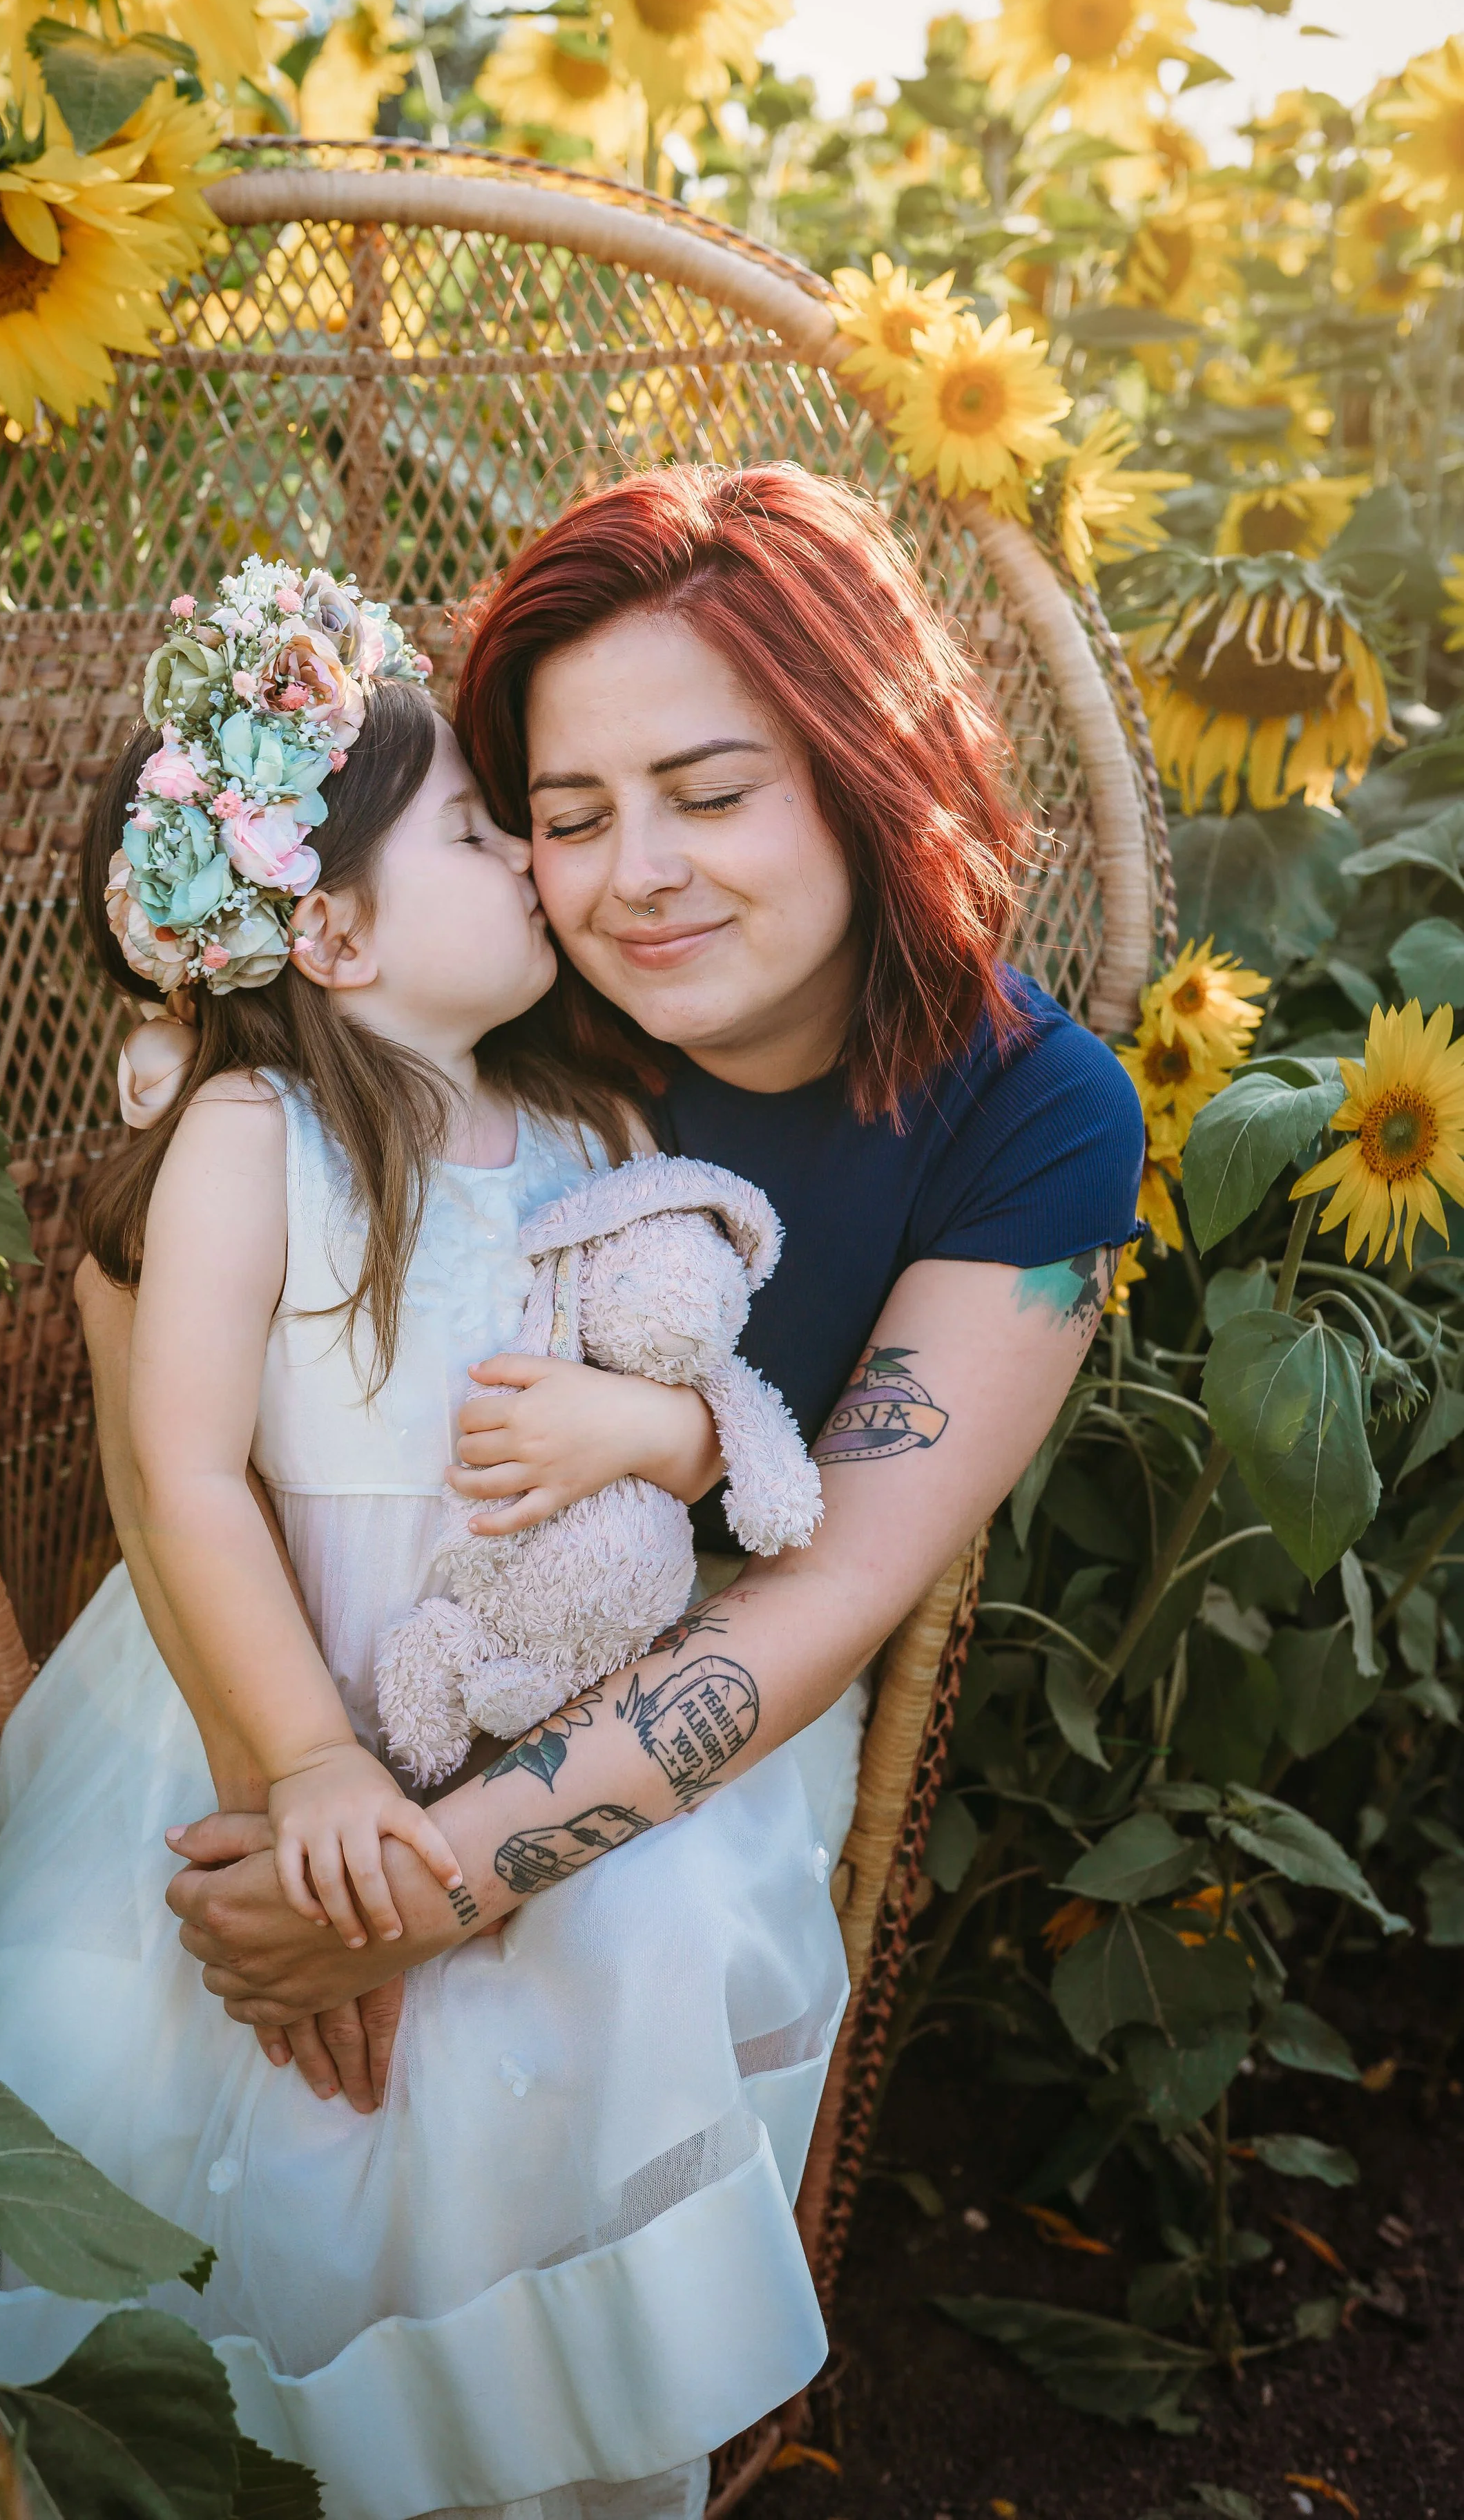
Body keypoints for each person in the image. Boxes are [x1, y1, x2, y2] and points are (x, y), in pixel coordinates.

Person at [0, 548, 866, 2520]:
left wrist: (668, 1426)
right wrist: (308, 1753)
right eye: (477, 825)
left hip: (542, 1703)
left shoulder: (594, 1132)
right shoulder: (259, 1141)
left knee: (590, 1998)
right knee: (212, 2052)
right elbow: (177, 1474)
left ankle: (514, 2456)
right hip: (276, 1693)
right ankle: (260, 2455)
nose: (532, 852)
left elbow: (686, 1397)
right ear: (331, 928)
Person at [157, 464, 1144, 2208]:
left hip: (693, 1693)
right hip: (332, 1657)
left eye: (706, 794)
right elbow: (132, 1291)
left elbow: (829, 1576)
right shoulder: (503, 1008)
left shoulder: (1030, 1117)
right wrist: (294, 1779)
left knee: (617, 1979)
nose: (635, 881)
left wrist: (435, 1882)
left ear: (862, 773)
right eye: (568, 812)